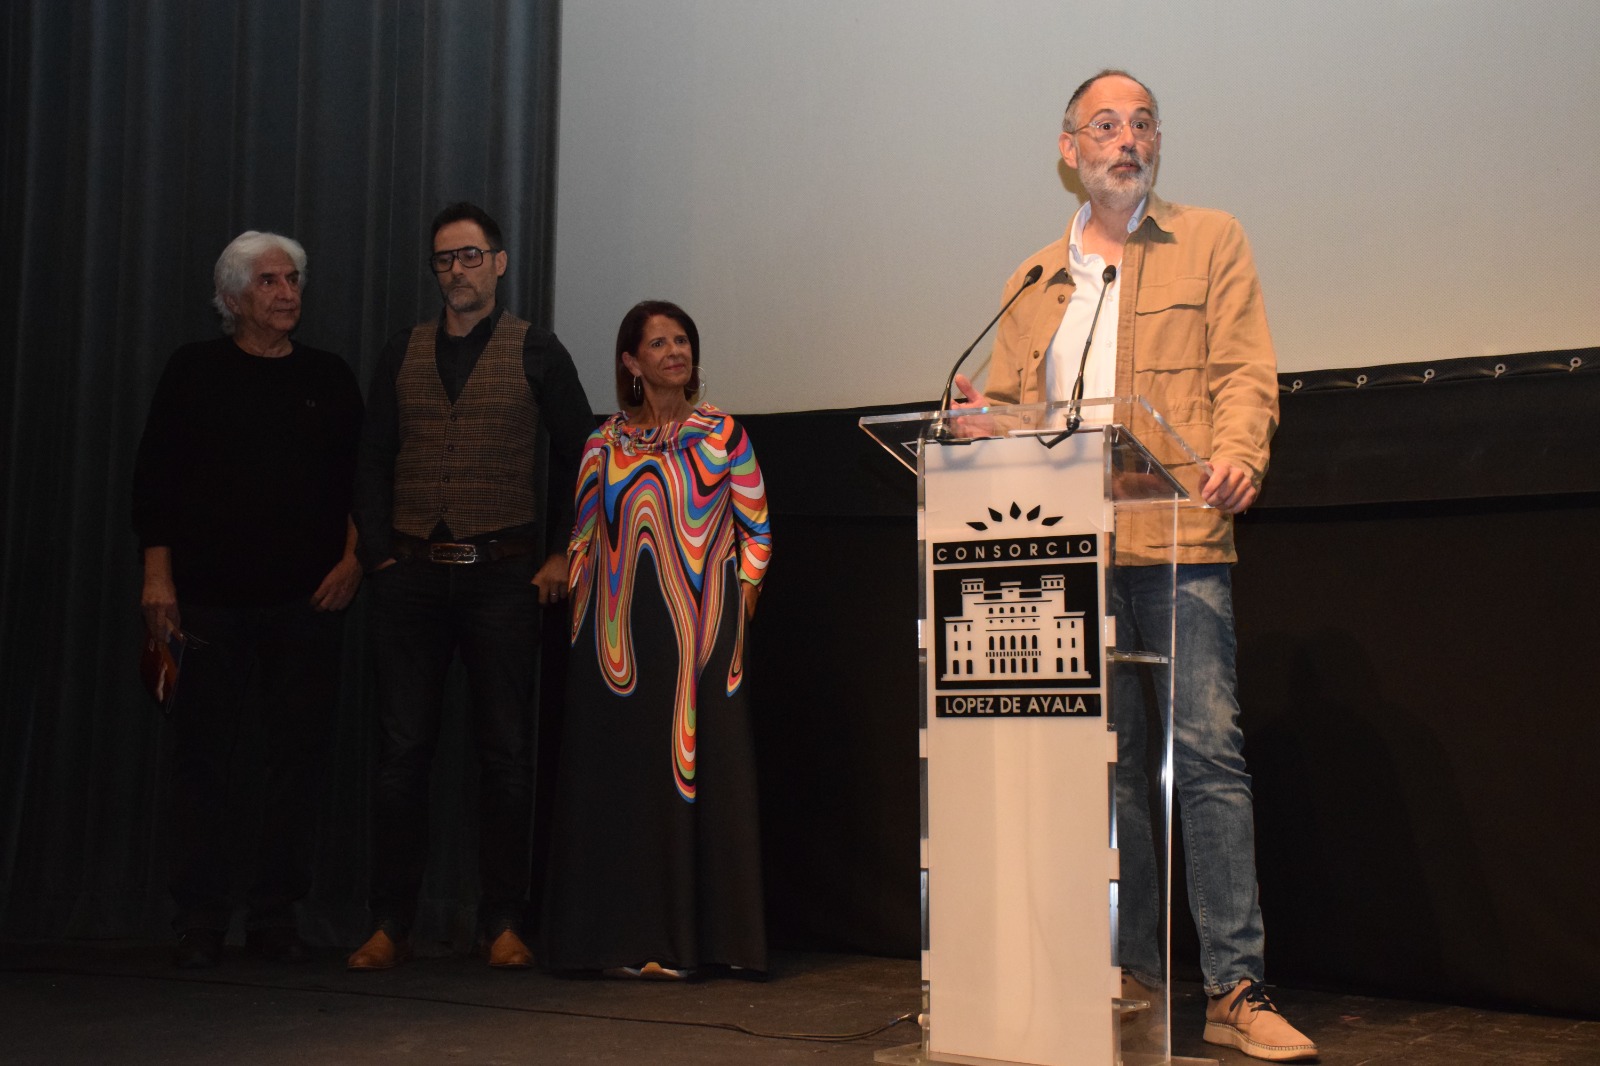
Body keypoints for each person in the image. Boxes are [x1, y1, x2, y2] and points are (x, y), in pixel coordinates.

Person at [952, 71, 1315, 1061]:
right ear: (1068, 150)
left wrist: (1240, 452)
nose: (1128, 139)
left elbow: (1244, 370)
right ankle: (1132, 973)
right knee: (1106, 765)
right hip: (1063, 545)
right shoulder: (1034, 278)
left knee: (1207, 755)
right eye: (1106, 125)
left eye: (1143, 123)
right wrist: (983, 424)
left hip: (1178, 533)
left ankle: (1234, 986)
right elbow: (1012, 408)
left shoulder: (1210, 240)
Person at [348, 202, 594, 971]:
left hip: (503, 581)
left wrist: (561, 554)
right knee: (401, 756)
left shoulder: (538, 350)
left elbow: (583, 457)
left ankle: (503, 923)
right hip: (411, 580)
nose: (457, 270)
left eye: (470, 255)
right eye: (445, 259)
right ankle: (390, 923)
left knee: (506, 756)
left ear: (500, 262)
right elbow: (372, 457)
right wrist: (380, 556)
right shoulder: (402, 350)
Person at [132, 231, 364, 968]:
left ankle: (274, 917)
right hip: (207, 603)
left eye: (292, 279)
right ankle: (199, 917)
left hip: (306, 605)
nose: (287, 292)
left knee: (295, 763)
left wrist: (355, 560)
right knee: (204, 761)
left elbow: (364, 480)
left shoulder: (329, 376)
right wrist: (158, 577)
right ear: (232, 297)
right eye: (269, 281)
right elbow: (155, 479)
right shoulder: (193, 370)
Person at [542, 301, 771, 979]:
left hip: (703, 641)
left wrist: (736, 612)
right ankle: (624, 940)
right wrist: (582, 614)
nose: (675, 352)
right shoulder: (602, 444)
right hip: (618, 649)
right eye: (659, 343)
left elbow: (757, 534)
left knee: (696, 778)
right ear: (631, 362)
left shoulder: (722, 434)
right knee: (627, 787)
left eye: (682, 341)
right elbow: (583, 536)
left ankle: (699, 943)